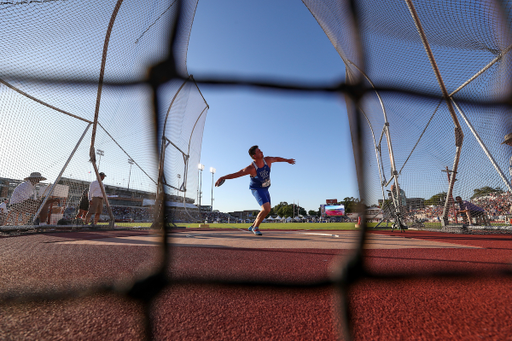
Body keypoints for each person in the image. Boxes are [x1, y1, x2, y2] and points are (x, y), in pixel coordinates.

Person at [215, 145, 295, 235]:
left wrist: (287, 160)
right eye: (258, 151)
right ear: (254, 156)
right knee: (266, 208)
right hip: (256, 189)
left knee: (267, 210)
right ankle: (256, 228)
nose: (261, 152)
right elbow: (237, 174)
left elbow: (276, 159)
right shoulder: (251, 168)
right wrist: (223, 177)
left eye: (260, 150)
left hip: (265, 188)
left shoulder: (267, 160)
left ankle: (253, 225)